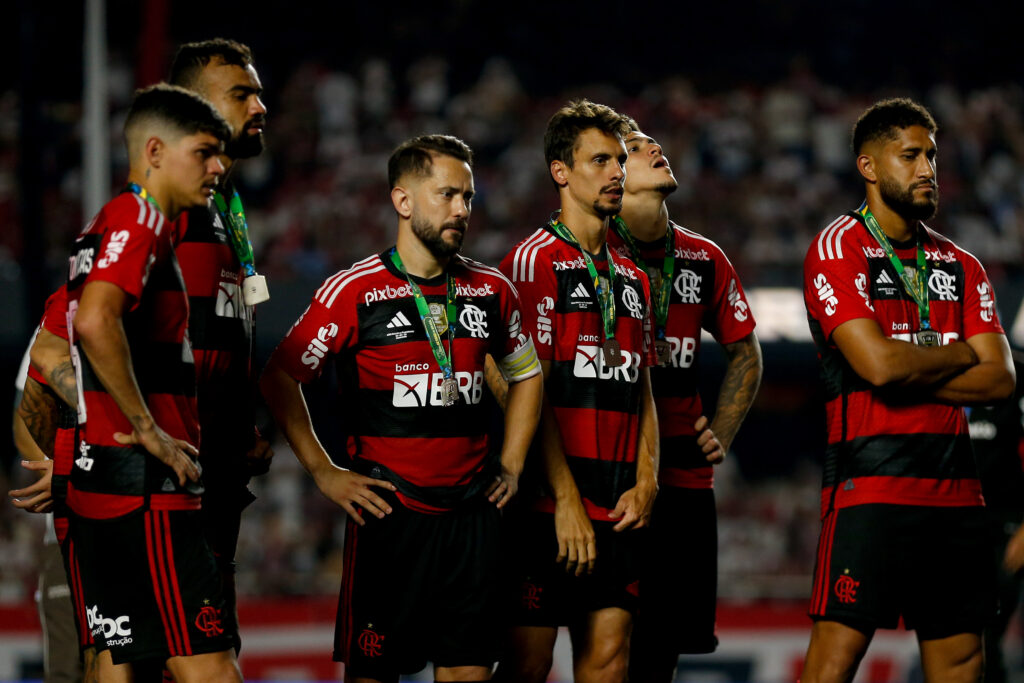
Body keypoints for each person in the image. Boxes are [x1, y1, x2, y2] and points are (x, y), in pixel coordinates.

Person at [260, 134, 543, 683]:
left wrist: (511, 461)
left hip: (473, 518)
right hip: (391, 517)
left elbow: (527, 374)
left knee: (468, 676)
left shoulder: (491, 290)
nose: (462, 209)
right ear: (403, 201)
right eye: (447, 195)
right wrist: (324, 472)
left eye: (468, 197)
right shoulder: (354, 291)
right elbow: (279, 376)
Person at [800, 98, 1014, 683]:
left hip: (956, 498)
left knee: (965, 661)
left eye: (933, 157)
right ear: (869, 167)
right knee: (833, 662)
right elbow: (878, 368)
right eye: (911, 155)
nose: (928, 169)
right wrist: (959, 350)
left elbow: (1000, 378)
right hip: (869, 489)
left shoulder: (961, 263)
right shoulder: (838, 248)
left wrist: (907, 367)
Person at [64, 84, 241, 681]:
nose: (219, 166)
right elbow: (93, 320)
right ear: (157, 150)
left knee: (119, 668)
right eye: (205, 152)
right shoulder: (141, 220)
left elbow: (56, 337)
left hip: (103, 488)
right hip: (147, 494)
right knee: (210, 668)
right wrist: (148, 430)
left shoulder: (103, 224)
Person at [494, 99, 658, 683]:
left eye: (619, 160)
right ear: (560, 171)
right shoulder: (532, 262)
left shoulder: (633, 274)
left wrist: (647, 480)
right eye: (600, 160)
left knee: (610, 662)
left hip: (617, 505)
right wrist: (563, 499)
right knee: (528, 666)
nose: (617, 172)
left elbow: (642, 386)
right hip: (544, 508)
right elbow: (521, 389)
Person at [609, 122, 763, 682]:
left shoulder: (704, 256)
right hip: (610, 469)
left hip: (684, 480)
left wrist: (720, 430)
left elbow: (747, 354)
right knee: (602, 643)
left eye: (655, 143)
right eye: (634, 148)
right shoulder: (590, 253)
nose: (655, 147)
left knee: (660, 651)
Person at [168, 38, 274, 651]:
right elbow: (70, 333)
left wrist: (238, 429)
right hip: (171, 484)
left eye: (257, 91)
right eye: (241, 94)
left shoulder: (226, 208)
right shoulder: (170, 206)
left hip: (214, 478)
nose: (259, 105)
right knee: (203, 658)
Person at [966, 350, 1024, 683]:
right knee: (970, 643)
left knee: (984, 637)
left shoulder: (1016, 374)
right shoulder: (935, 371)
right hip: (955, 532)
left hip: (1006, 531)